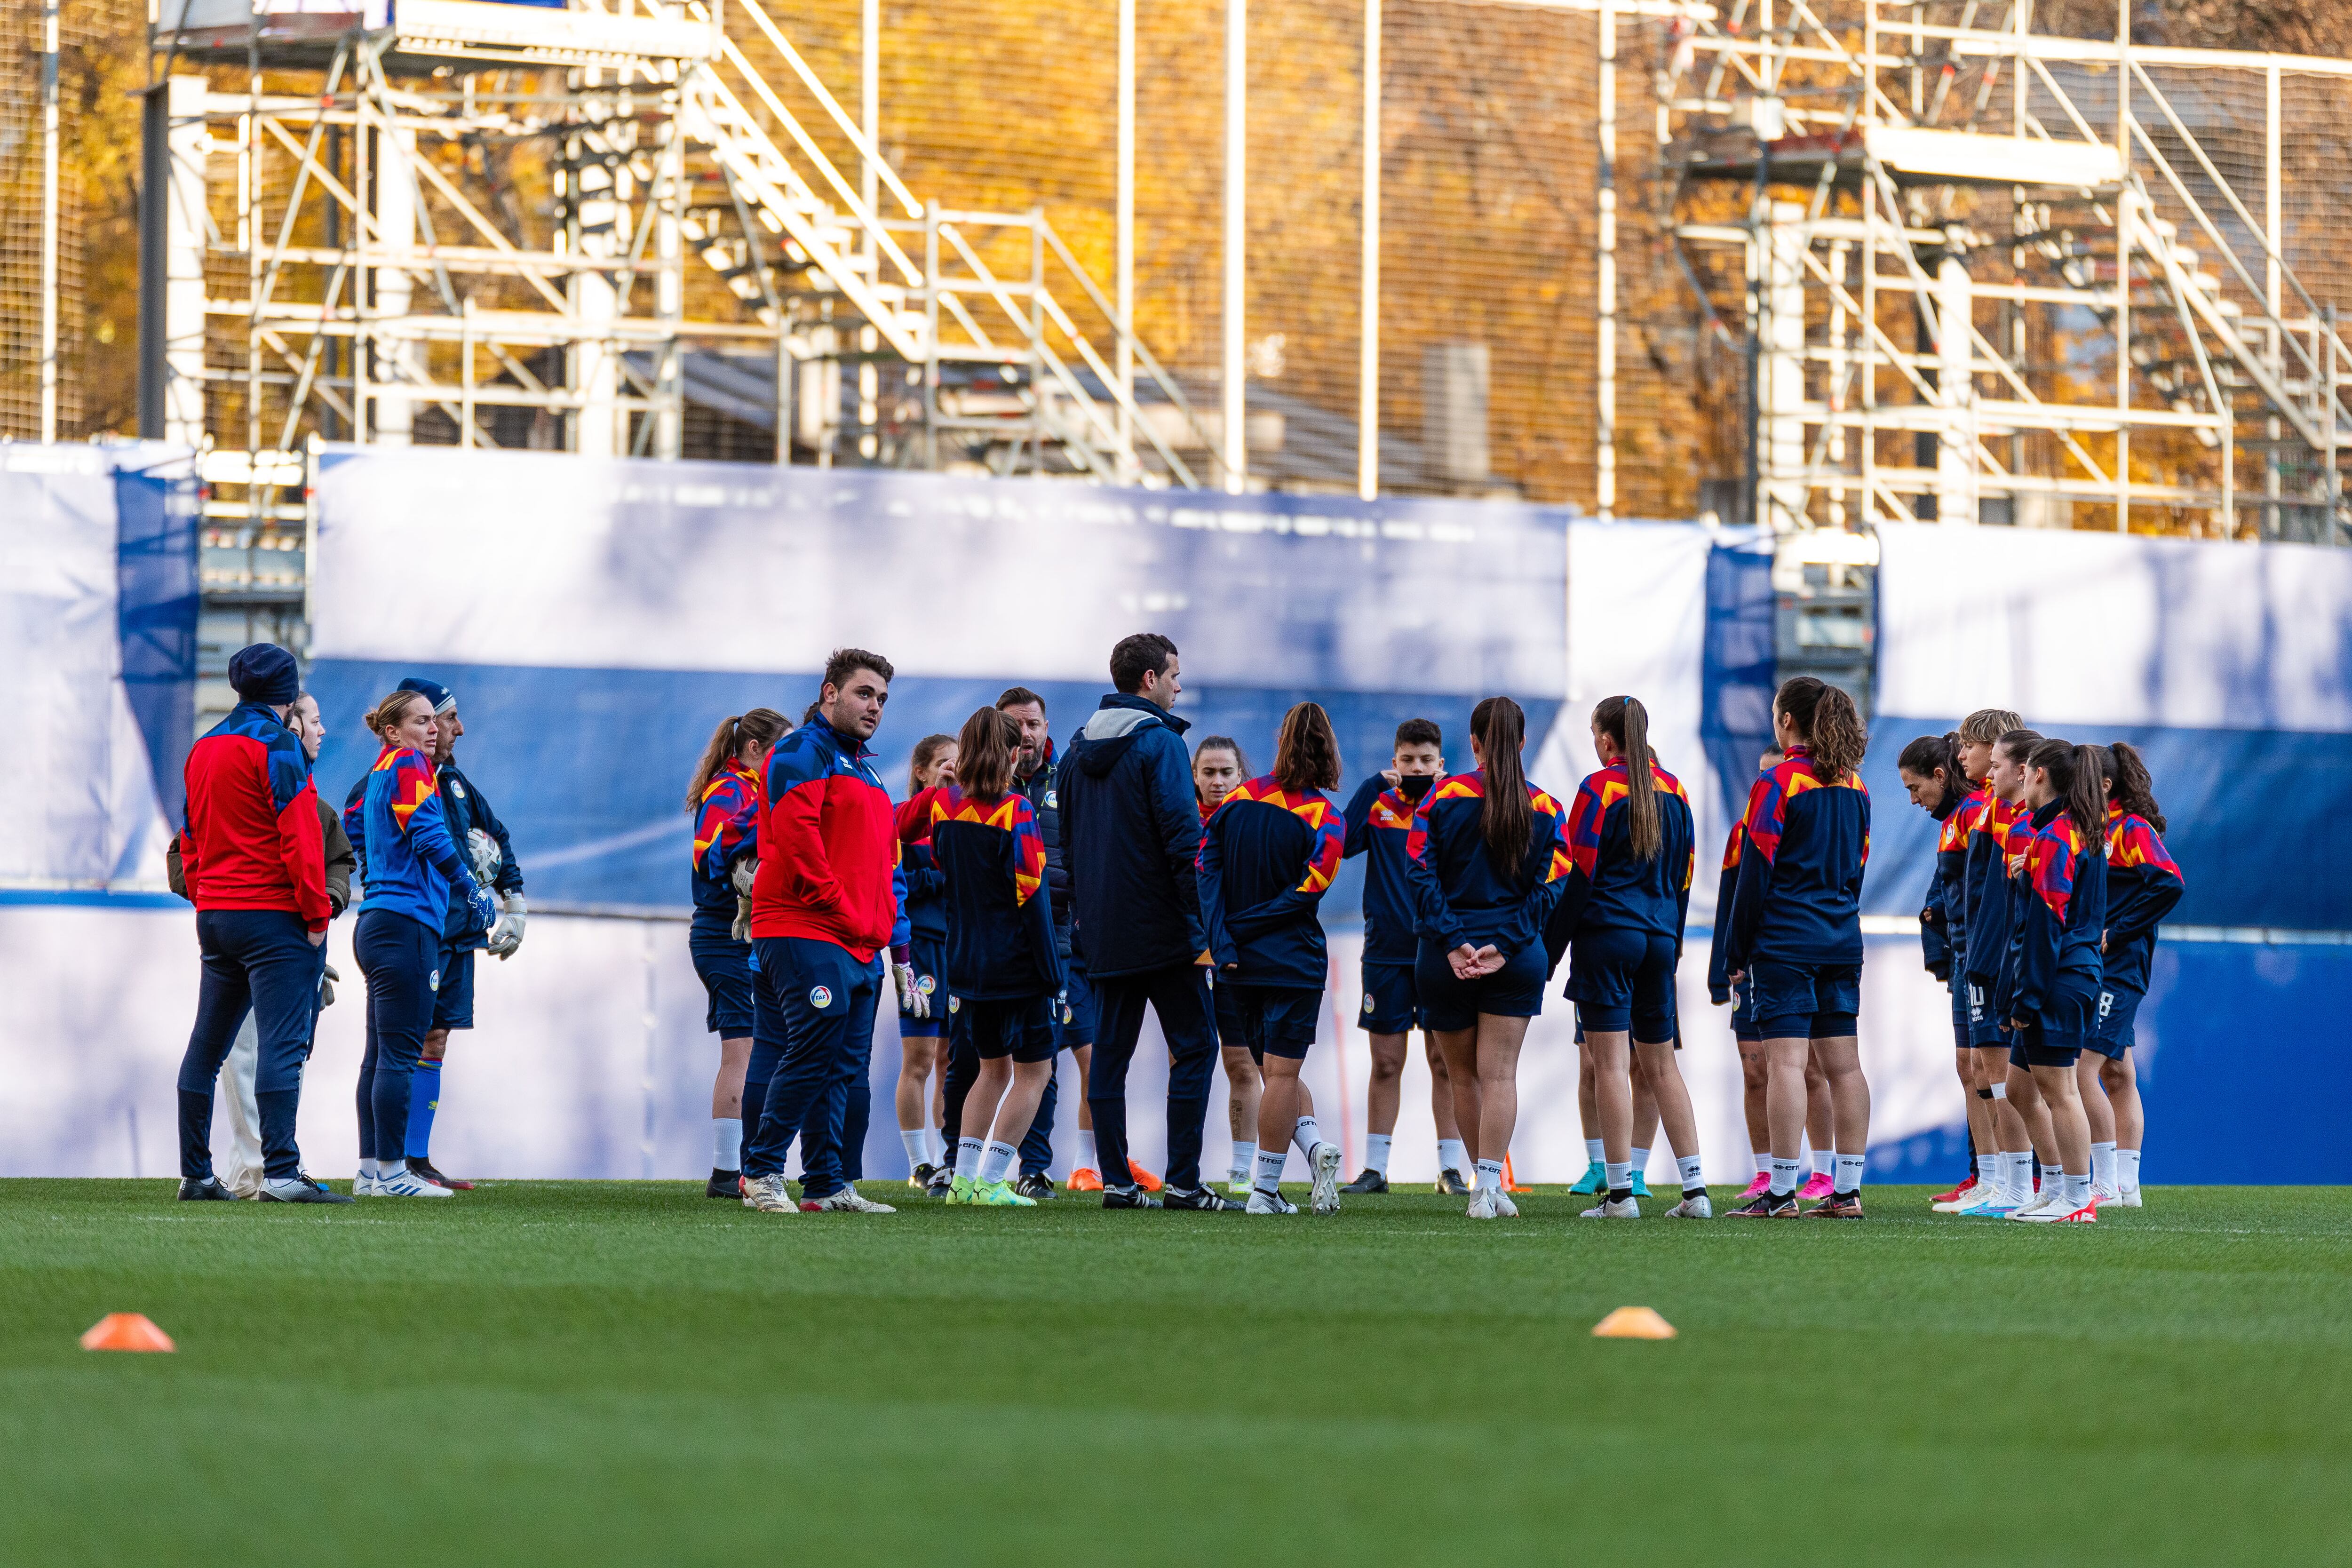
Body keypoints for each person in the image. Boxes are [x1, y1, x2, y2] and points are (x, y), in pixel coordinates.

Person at [739, 650, 925, 1216]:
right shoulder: (801, 751)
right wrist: (843, 911)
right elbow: (798, 845)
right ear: (829, 693)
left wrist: (885, 938)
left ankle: (826, 1182)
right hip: (805, 928)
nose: (875, 707)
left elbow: (880, 856)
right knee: (811, 1050)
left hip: (857, 940)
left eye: (882, 699)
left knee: (844, 1065)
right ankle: (761, 1173)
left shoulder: (864, 768)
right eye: (864, 693)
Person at [1059, 632, 1239, 1211]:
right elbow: (1182, 839)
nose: (1178, 685)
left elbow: (1067, 847)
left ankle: (1116, 1181)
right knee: (1194, 1048)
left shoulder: (1073, 748)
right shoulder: (1159, 743)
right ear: (1149, 681)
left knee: (1108, 1057)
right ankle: (1184, 1182)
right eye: (1173, 675)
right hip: (1164, 932)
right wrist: (1206, 923)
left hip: (1103, 933)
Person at [171, 645, 350, 1204]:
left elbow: (190, 836)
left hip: (217, 916)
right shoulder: (279, 746)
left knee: (207, 1048)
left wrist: (206, 897)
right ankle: (281, 1174)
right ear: (288, 693)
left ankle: (196, 1176)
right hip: (273, 918)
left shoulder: (205, 747)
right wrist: (317, 915)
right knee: (282, 1045)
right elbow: (299, 835)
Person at [1406, 695, 1572, 1219]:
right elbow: (1553, 885)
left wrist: (1454, 941)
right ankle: (1488, 1188)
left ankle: (1482, 1183)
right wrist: (1503, 945)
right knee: (1500, 1076)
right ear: (1521, 743)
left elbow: (1417, 872)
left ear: (1473, 743)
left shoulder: (1439, 798)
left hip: (1442, 959)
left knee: (1463, 1077)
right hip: (1515, 957)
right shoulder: (1547, 807)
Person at [1548, 695, 1708, 1218]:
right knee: (1662, 1068)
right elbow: (1684, 882)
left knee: (1611, 1067)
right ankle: (1696, 1192)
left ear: (1605, 739)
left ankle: (1619, 1197)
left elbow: (1579, 874)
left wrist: (1547, 953)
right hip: (1659, 940)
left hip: (1608, 938)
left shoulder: (1596, 789)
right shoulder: (1676, 790)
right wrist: (1674, 945)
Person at [1722, 676, 1872, 1219]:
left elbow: (1754, 870)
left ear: (1786, 721)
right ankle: (1846, 1192)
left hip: (1785, 941)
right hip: (1840, 939)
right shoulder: (1854, 786)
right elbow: (1857, 867)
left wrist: (1735, 952)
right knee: (1845, 1067)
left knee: (1786, 1064)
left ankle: (1781, 1192)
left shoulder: (1778, 783)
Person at [1198, 702, 1350, 1216]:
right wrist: (1245, 927)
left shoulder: (1237, 800)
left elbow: (1205, 873)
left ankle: (1289, 1169)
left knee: (1266, 1071)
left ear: (1280, 741)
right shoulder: (1328, 818)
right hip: (1293, 963)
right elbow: (1306, 893)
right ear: (1328, 750)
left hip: (1236, 963)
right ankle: (1263, 1192)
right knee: (1281, 1075)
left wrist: (1224, 940)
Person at [347, 687, 498, 1198]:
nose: (432, 729)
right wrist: (471, 888)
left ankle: (371, 1172)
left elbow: (355, 828)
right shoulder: (409, 763)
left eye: (434, 721)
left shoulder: (378, 774)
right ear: (393, 731)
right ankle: (393, 1173)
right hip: (407, 924)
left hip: (376, 921)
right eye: (419, 721)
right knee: (399, 1054)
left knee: (378, 1054)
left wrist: (379, 872)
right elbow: (428, 834)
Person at [394, 678, 525, 1193]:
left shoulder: (455, 782)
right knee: (401, 1042)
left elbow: (497, 839)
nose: (456, 728)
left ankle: (416, 1159)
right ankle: (386, 1162)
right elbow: (362, 836)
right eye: (446, 718)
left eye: (445, 719)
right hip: (419, 928)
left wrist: (513, 900)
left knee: (435, 1038)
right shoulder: (393, 778)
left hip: (457, 934)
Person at [930, 708, 1064, 1207]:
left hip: (965, 963)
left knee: (990, 1069)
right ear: (1012, 754)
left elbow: (941, 865)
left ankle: (962, 1181)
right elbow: (1031, 897)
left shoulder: (943, 806)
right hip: (1018, 965)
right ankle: (991, 1179)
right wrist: (1050, 972)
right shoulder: (1016, 811)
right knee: (1034, 1071)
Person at [1338, 719, 1470, 1195]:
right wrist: (1372, 786)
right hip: (1386, 954)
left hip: (1438, 951)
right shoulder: (1378, 806)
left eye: (1425, 761)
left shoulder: (1452, 806)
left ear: (1441, 765)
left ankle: (1449, 1170)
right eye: (1407, 760)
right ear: (1394, 762)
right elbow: (1340, 842)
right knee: (1387, 1062)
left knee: (1444, 1062)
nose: (1416, 768)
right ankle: (1375, 1170)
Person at [1993, 739, 2110, 1223]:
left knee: (2060, 1089)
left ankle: (2079, 1199)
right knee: (2019, 1088)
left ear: (2038, 775)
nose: (2016, 777)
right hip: (2062, 973)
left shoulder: (2056, 837)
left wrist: (2025, 998)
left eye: (2022, 771)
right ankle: (2059, 1186)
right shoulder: (2067, 832)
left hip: (2059, 978)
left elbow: (2045, 927)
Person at [1954, 727, 2058, 1218]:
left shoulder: (2027, 829)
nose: (1984, 772)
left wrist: (1993, 960)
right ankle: (2014, 1183)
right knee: (1997, 1075)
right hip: (1989, 956)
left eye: (1994, 764)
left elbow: (2015, 909)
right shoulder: (2001, 818)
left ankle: (2035, 1184)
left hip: (2004, 961)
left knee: (2020, 1078)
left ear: (2024, 772)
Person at [687, 707, 789, 1198]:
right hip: (723, 934)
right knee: (742, 1050)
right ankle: (729, 1173)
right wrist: (747, 859)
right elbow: (708, 855)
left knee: (753, 1048)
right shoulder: (730, 790)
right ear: (754, 750)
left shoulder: (751, 789)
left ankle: (740, 1169)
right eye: (779, 749)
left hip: (741, 934)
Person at [2090, 742, 2182, 1209]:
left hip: (2119, 965)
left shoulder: (2129, 828)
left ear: (2104, 783)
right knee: (2115, 1071)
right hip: (2096, 963)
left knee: (2083, 1067)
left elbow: (2169, 881)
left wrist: (2118, 932)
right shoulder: (2095, 828)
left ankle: (2105, 1182)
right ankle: (2126, 1185)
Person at [998, 686, 1078, 1200]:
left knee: (1041, 1059)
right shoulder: (978, 779)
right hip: (990, 937)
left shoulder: (1067, 778)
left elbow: (1084, 850)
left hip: (1054, 937)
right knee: (969, 1056)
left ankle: (1034, 1168)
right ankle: (955, 1163)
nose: (1025, 734)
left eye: (1033, 724)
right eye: (1015, 726)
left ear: (1045, 729)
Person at [1898, 731, 1984, 1210]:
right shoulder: (1956, 817)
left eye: (1915, 788)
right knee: (1971, 1067)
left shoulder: (1975, 814)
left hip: (1981, 957)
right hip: (1963, 956)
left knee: (1995, 1069)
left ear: (1939, 774)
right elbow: (1946, 891)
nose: (1913, 800)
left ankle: (2024, 1178)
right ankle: (1986, 1174)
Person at [1708, 743, 1782, 1203]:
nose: (1763, 785)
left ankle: (1821, 1171)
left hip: (1790, 954)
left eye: (1770, 776)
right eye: (1759, 776)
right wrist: (1722, 967)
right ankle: (1764, 1172)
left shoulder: (1813, 816)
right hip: (1748, 970)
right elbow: (1728, 902)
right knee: (1754, 1072)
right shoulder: (1741, 833)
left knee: (1804, 1070)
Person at [1193, 734, 1266, 1196]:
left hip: (1235, 962)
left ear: (1242, 776)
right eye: (1208, 773)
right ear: (1194, 778)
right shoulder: (1178, 821)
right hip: (1183, 964)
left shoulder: (1254, 823)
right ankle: (1185, 1170)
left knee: (1242, 1065)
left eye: (1226, 773)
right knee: (1192, 1063)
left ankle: (1241, 1172)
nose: (1217, 782)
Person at [894, 733, 958, 1188]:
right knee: (920, 1057)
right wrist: (941, 877)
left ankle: (949, 1160)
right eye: (944, 763)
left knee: (954, 1060)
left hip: (961, 948)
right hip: (921, 948)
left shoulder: (966, 819)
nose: (954, 770)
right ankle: (920, 1162)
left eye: (960, 762)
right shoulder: (903, 820)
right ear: (922, 770)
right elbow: (896, 881)